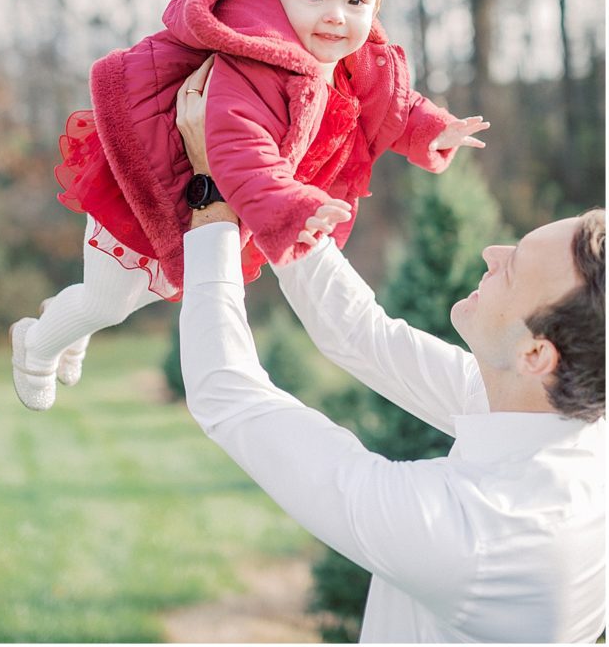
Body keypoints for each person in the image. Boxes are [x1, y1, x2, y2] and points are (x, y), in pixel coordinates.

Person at [176, 62, 605, 644]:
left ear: (537, 354)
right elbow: (360, 335)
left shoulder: (479, 536)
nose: (491, 251)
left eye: (516, 266)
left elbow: (230, 397)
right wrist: (270, 187)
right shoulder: (552, 415)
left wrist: (210, 198)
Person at [11, 0, 489, 410]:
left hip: (214, 207)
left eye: (356, 2)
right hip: (149, 191)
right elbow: (241, 151)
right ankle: (35, 344)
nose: (335, 16)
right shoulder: (255, 64)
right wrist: (293, 206)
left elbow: (393, 105)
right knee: (110, 300)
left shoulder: (357, 60)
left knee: (142, 294)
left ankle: (69, 320)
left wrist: (432, 131)